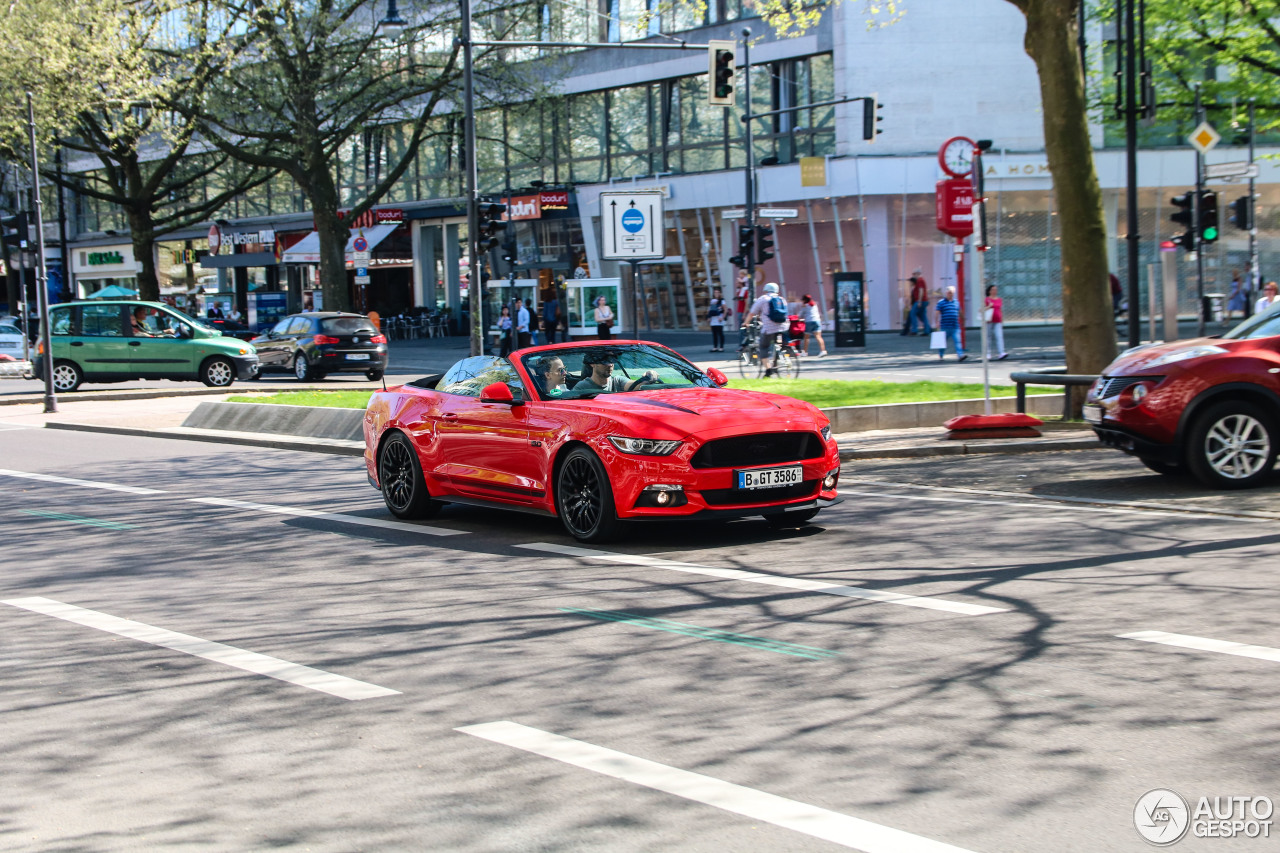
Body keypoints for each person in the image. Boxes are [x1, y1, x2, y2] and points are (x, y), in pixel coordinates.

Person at [742, 281, 790, 376]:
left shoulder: (763, 299)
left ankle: (768, 371)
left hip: (769, 328)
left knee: (763, 347)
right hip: (784, 326)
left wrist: (746, 323)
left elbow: (752, 313)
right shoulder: (782, 299)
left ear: (766, 290)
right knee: (778, 344)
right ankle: (776, 362)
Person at [575, 350, 657, 392]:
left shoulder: (617, 381)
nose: (610, 364)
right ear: (592, 364)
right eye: (605, 361)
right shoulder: (582, 387)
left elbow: (636, 386)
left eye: (612, 360)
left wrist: (648, 377)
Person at [934, 286, 966, 362]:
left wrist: (963, 319)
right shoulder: (941, 302)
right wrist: (937, 321)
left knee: (958, 341)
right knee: (942, 343)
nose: (950, 294)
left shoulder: (956, 302)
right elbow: (937, 313)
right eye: (949, 293)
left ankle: (960, 355)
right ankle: (941, 354)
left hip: (955, 326)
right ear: (946, 293)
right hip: (945, 326)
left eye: (951, 293)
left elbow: (960, 312)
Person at [984, 284, 1008, 360]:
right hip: (989, 321)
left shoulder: (999, 299)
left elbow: (1000, 310)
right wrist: (989, 306)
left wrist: (1002, 320)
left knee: (999, 336)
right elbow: (982, 310)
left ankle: (1001, 352)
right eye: (993, 290)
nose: (995, 291)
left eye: (996, 290)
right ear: (989, 291)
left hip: (998, 321)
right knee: (988, 337)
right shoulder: (987, 299)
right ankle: (987, 353)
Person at [906, 269, 931, 336]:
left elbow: (921, 291)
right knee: (923, 316)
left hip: (920, 301)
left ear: (918, 273)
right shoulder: (921, 280)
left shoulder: (920, 280)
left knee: (912, 313)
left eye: (914, 274)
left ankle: (914, 330)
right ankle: (927, 330)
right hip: (924, 300)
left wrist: (919, 301)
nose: (913, 275)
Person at [707, 286, 730, 352]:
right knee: (714, 333)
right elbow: (709, 310)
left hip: (719, 318)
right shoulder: (712, 301)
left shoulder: (722, 300)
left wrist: (722, 317)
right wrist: (708, 317)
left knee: (720, 333)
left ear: (720, 293)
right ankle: (715, 347)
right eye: (715, 292)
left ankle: (721, 347)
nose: (716, 294)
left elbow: (725, 309)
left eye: (718, 292)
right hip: (713, 319)